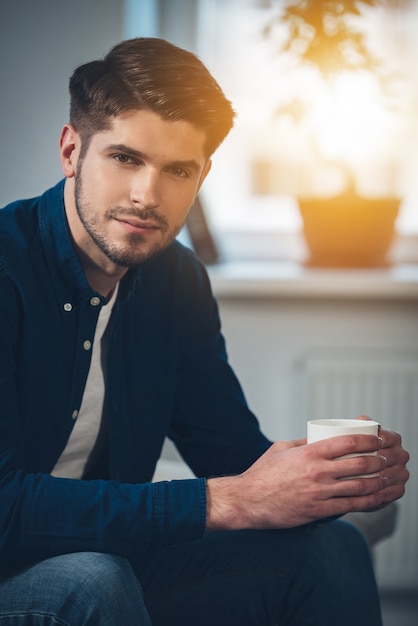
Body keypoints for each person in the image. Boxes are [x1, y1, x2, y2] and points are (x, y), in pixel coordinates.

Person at [0, 37, 409, 626]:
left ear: (202, 177)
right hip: (32, 570)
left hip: (105, 562)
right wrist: (222, 502)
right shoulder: (7, 268)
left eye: (177, 170)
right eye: (125, 158)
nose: (147, 194)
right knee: (95, 578)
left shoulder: (175, 281)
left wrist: (331, 477)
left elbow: (233, 454)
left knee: (329, 550)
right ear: (71, 150)